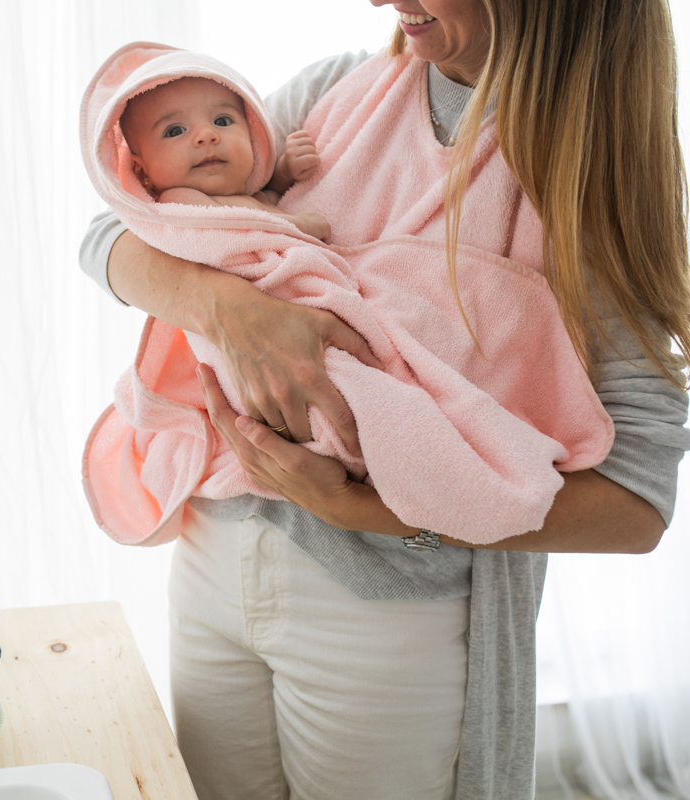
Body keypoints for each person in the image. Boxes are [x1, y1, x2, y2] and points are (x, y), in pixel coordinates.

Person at [80, 2, 690, 798]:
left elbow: (637, 502)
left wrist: (368, 509)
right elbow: (113, 231)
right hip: (215, 554)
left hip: (392, 609)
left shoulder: (586, 173)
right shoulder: (334, 96)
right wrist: (234, 311)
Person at [119, 75, 331, 242]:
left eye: (222, 121)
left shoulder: (254, 196)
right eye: (175, 131)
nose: (207, 136)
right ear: (142, 171)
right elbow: (235, 226)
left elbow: (272, 196)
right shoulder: (178, 200)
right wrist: (298, 225)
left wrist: (285, 171)